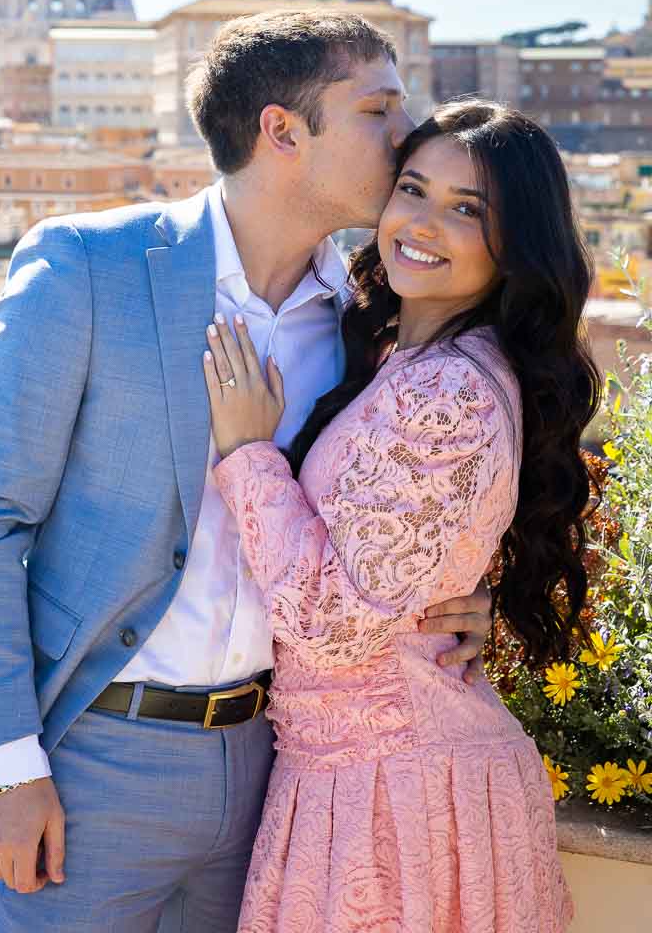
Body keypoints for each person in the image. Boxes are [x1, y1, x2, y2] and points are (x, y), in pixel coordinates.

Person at [0, 12, 493, 933]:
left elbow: (399, 499)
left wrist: (470, 594)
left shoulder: (368, 313)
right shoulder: (87, 265)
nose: (408, 136)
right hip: (91, 763)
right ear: (282, 132)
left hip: (280, 770)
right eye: (380, 110)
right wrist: (4, 767)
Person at [203, 98, 601, 933]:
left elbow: (329, 623)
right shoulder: (405, 355)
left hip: (393, 794)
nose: (423, 223)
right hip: (372, 774)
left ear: (515, 242)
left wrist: (247, 454)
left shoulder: (448, 388)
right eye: (413, 189)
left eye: (467, 210)